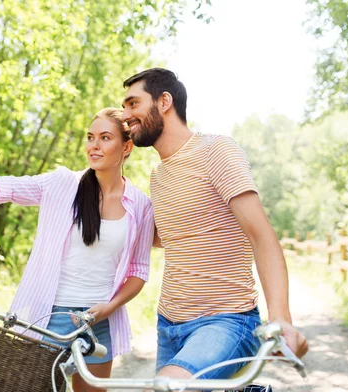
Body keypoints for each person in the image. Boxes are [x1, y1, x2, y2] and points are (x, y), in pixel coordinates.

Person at [0, 105, 154, 391]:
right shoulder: (62, 184)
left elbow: (138, 271)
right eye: (90, 137)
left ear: (127, 147)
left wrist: (107, 309)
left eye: (105, 138)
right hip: (48, 317)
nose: (94, 145)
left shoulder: (140, 205)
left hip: (98, 322)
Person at [120, 68, 308, 381]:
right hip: (169, 326)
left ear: (164, 101)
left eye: (132, 104)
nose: (125, 115)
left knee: (166, 388)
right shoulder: (159, 175)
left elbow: (261, 236)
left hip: (226, 322)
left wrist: (281, 319)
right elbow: (167, 237)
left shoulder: (215, 151)